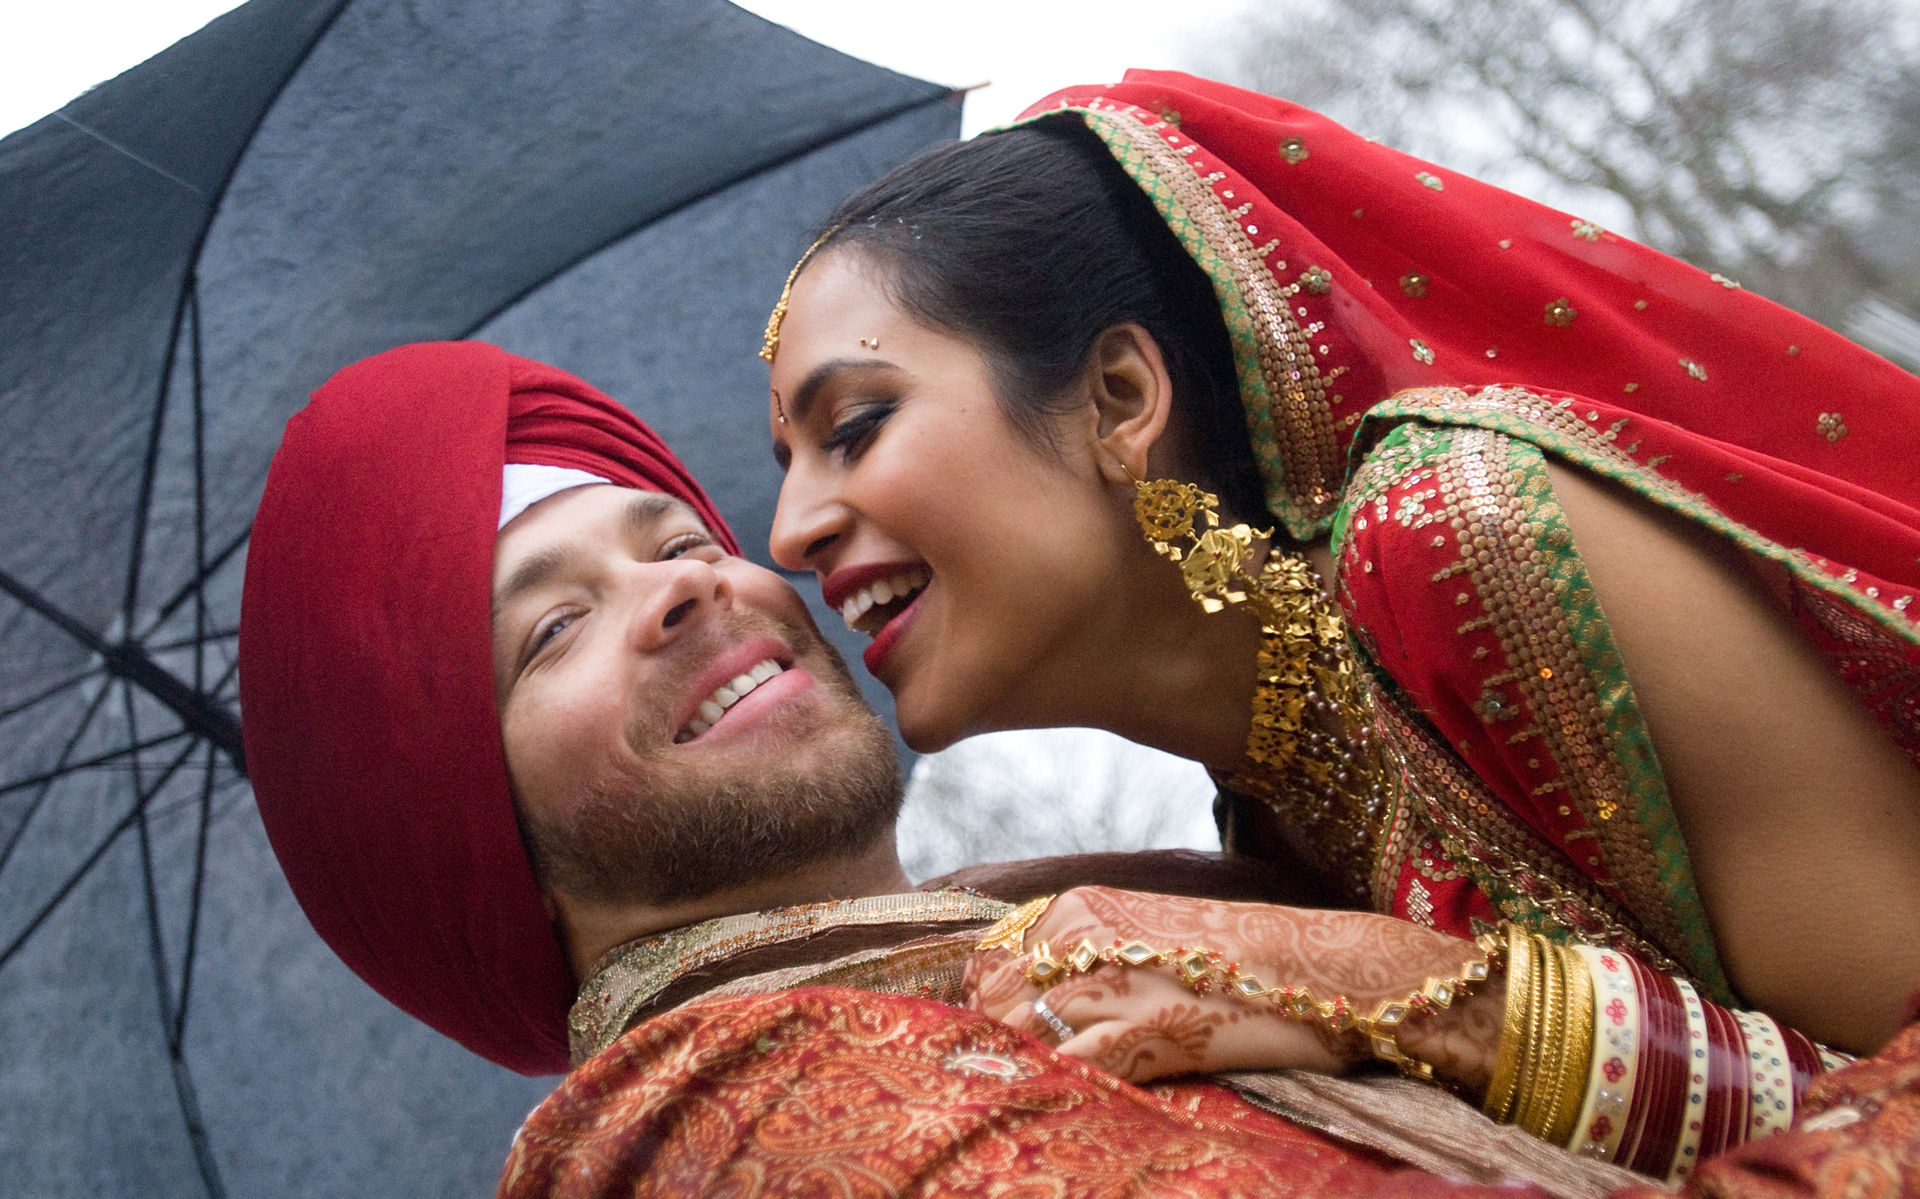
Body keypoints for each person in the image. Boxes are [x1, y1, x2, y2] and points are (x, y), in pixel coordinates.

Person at [763, 70, 1920, 1183]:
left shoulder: (1458, 534)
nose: (788, 533)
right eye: (787, 464)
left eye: (856, 424)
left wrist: (1430, 1002)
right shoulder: (1273, 811)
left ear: (1119, 398)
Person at [241, 340, 1682, 1197]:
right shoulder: (734, 1118)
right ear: (459, 838)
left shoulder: (1130, 921)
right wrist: (1506, 1015)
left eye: (677, 539)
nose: (693, 588)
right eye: (552, 628)